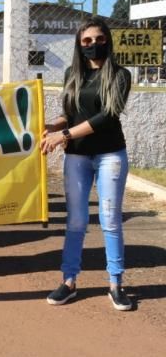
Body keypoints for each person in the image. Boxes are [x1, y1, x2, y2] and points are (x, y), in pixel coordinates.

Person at [41, 17, 133, 311]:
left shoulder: (120, 74)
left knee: (110, 220)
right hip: (77, 157)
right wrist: (51, 128)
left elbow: (107, 115)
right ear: (79, 46)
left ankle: (115, 283)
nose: (94, 45)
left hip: (110, 155)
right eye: (87, 41)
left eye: (99, 39)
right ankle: (68, 281)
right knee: (76, 221)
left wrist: (64, 135)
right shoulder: (72, 73)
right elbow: (69, 114)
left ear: (108, 40)